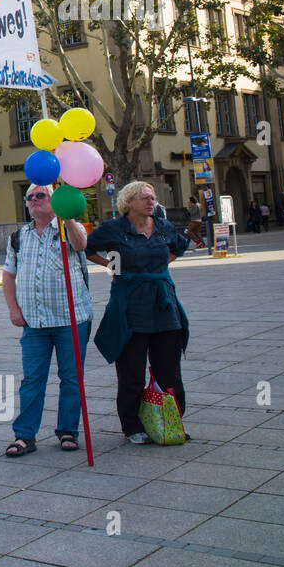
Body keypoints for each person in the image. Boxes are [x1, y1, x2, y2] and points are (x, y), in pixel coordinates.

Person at [86, 181, 191, 445]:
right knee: (131, 372)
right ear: (129, 202)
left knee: (169, 370)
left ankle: (171, 420)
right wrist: (112, 265)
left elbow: (179, 246)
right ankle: (132, 426)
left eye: (152, 198)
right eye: (145, 197)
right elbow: (87, 248)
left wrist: (160, 268)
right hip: (131, 306)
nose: (151, 202)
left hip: (163, 304)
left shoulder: (163, 226)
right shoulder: (114, 229)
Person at [1, 184, 91, 457]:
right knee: (32, 379)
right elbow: (8, 275)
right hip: (34, 322)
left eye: (41, 195)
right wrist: (13, 309)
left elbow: (81, 245)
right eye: (29, 197)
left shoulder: (69, 229)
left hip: (70, 318)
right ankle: (25, 436)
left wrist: (68, 216)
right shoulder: (19, 236)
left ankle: (67, 431)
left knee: (71, 378)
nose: (34, 200)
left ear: (55, 201)